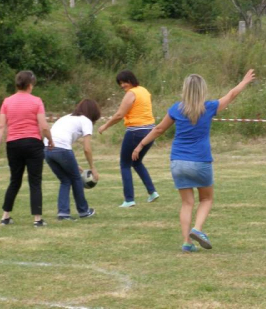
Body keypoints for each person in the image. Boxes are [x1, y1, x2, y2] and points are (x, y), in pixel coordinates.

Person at [132, 70, 255, 252]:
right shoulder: (209, 107)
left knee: (186, 203)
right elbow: (232, 94)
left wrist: (140, 145)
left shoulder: (176, 109)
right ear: (202, 90)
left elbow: (158, 129)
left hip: (178, 162)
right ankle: (197, 229)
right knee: (206, 199)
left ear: (185, 90)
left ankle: (186, 243)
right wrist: (244, 81)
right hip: (200, 161)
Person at [0, 70, 54, 227]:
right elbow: (44, 126)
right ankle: (37, 219)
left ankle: (5, 216)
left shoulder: (7, 102)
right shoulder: (36, 101)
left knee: (15, 180)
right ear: (29, 85)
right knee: (35, 181)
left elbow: (0, 127)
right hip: (33, 144)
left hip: (13, 144)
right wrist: (50, 140)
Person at [98, 70, 159, 207]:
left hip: (135, 132)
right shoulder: (144, 91)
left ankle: (129, 199)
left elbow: (120, 114)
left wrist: (105, 126)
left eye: (124, 82)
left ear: (131, 80)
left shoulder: (131, 93)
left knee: (125, 164)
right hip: (150, 131)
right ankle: (152, 192)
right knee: (136, 163)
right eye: (120, 83)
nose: (122, 85)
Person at [44, 99, 101, 220]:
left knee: (65, 180)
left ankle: (63, 213)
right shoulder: (86, 120)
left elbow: (61, 138)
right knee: (76, 179)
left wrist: (74, 164)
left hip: (46, 149)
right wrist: (92, 168)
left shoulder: (67, 117)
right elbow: (87, 148)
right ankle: (84, 211)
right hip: (61, 148)